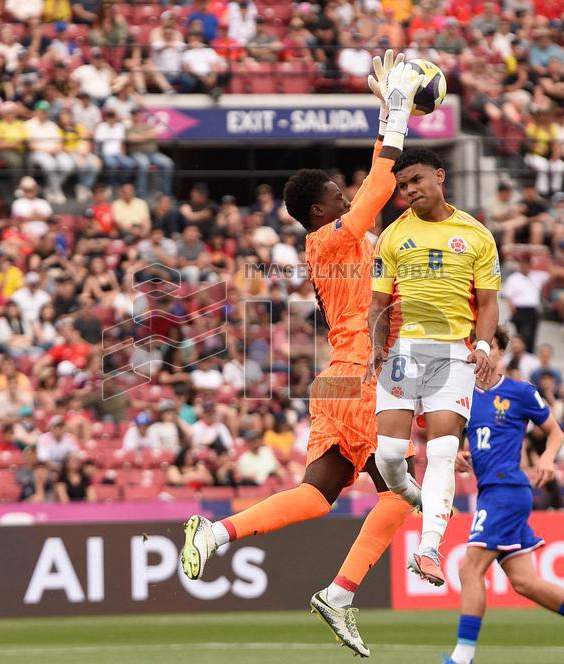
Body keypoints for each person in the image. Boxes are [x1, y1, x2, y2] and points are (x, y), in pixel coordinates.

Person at [180, 52, 422, 658]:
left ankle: (217, 533)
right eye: (339, 196)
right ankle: (340, 592)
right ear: (320, 211)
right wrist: (395, 112)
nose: (348, 200)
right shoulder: (334, 238)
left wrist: (388, 115)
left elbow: (379, 190)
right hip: (365, 377)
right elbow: (385, 183)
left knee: (317, 494)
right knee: (401, 491)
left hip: (340, 377)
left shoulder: (335, 243)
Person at [442, 328, 564, 664]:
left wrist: (546, 457)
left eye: (489, 348)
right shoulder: (462, 397)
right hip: (490, 492)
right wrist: (454, 451)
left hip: (507, 489)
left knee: (469, 571)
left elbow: (555, 433)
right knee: (525, 582)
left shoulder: (519, 392)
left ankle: (462, 657)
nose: (481, 354)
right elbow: (451, 436)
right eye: (474, 348)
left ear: (500, 354)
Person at [370, 144, 501, 587]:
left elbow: (488, 303)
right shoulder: (392, 236)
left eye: (416, 181)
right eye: (402, 186)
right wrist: (376, 345)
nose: (409, 191)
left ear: (440, 177)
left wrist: (483, 345)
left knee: (442, 450)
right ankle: (413, 495)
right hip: (404, 350)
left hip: (453, 354)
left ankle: (428, 550)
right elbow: (378, 302)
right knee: (388, 456)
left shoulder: (477, 235)